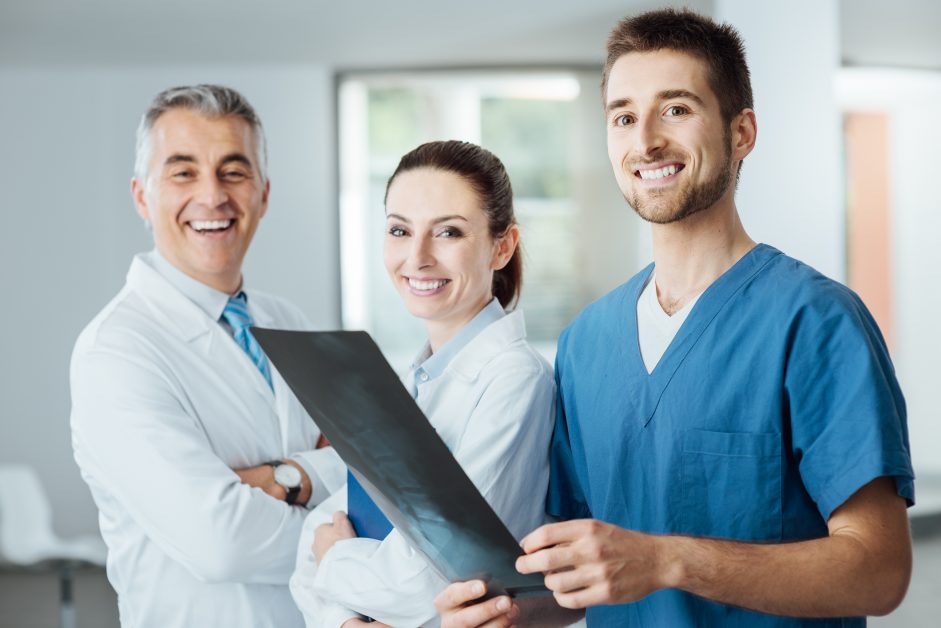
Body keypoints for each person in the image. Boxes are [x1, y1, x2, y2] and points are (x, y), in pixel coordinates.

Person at [436, 9, 914, 627]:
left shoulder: (817, 323)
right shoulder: (587, 342)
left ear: (741, 133)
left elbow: (879, 571)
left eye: (677, 109)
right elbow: (584, 571)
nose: (646, 141)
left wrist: (670, 561)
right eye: (625, 117)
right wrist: (508, 613)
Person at [70, 84, 344, 628]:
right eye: (183, 171)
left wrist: (284, 477)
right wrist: (335, 524)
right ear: (142, 197)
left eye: (233, 171)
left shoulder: (288, 322)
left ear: (263, 195)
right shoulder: (116, 352)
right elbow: (221, 542)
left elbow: (368, 470)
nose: (212, 195)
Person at [289, 140, 563, 627]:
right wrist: (347, 622)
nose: (416, 257)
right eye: (399, 230)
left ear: (502, 247)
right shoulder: (407, 383)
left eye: (448, 233)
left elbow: (430, 583)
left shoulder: (515, 381)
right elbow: (311, 540)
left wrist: (336, 560)